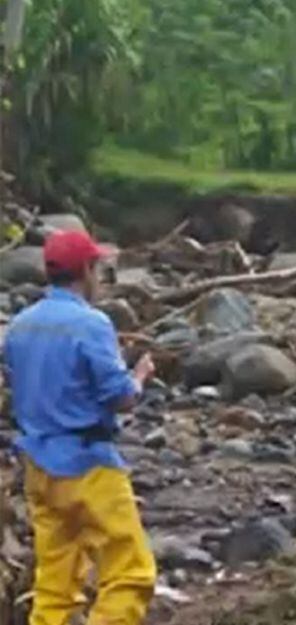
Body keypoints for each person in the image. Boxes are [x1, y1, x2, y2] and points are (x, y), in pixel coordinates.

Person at [2, 230, 157, 625]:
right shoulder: (92, 323)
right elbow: (119, 397)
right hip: (88, 465)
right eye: (99, 269)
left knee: (55, 584)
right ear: (86, 270)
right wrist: (139, 377)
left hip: (38, 466)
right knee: (131, 573)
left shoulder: (20, 325)